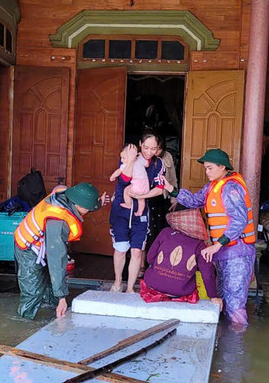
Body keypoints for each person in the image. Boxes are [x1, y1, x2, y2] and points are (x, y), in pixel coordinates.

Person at [163, 149, 256, 327]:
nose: (207, 172)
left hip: (237, 253)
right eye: (206, 168)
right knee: (221, 300)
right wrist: (170, 189)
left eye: (210, 168)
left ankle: (237, 347)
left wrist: (216, 245)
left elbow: (239, 221)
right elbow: (193, 201)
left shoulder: (231, 188)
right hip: (223, 253)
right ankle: (226, 344)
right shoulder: (212, 186)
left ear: (223, 167)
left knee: (235, 304)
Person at [14, 182, 104, 320]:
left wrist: (98, 204)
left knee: (50, 284)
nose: (90, 211)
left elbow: (84, 205)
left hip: (42, 244)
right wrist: (62, 297)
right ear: (80, 206)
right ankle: (23, 324)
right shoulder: (58, 222)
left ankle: (54, 312)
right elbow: (56, 260)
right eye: (89, 208)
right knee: (33, 291)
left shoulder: (66, 194)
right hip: (28, 247)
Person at [110, 130, 165, 293]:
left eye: (153, 149)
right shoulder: (129, 157)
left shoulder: (158, 164)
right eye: (146, 147)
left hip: (141, 212)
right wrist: (131, 160)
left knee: (136, 249)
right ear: (140, 145)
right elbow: (124, 179)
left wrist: (142, 195)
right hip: (120, 211)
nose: (149, 152)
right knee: (120, 249)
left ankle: (130, 288)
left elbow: (159, 189)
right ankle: (118, 282)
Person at [140, 211, 221, 309]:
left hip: (153, 286)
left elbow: (150, 258)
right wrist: (213, 296)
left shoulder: (166, 232)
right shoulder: (201, 245)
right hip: (180, 292)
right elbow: (207, 274)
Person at [110, 153, 149, 217]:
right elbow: (147, 164)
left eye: (123, 158)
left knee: (126, 190)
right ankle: (140, 211)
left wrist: (112, 176)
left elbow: (118, 171)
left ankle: (129, 204)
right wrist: (141, 156)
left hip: (137, 183)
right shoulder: (139, 159)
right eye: (121, 158)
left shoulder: (126, 164)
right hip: (145, 184)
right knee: (141, 198)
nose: (121, 160)